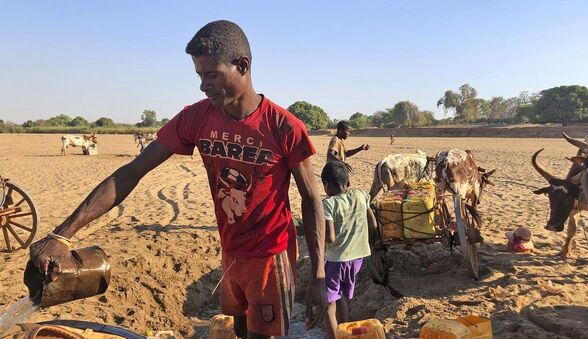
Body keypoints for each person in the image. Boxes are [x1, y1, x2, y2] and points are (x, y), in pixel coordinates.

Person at [28, 20, 328, 339]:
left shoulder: (283, 127)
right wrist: (61, 236)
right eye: (199, 75)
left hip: (270, 256)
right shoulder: (196, 118)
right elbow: (132, 171)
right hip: (230, 250)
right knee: (239, 327)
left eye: (210, 74)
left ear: (242, 66)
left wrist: (320, 275)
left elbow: (311, 198)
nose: (202, 85)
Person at [316, 161, 377, 338]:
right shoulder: (361, 194)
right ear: (348, 183)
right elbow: (372, 223)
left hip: (337, 259)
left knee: (327, 303)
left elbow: (331, 238)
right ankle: (345, 331)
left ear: (326, 185)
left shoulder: (328, 204)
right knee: (340, 294)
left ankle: (335, 336)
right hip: (358, 258)